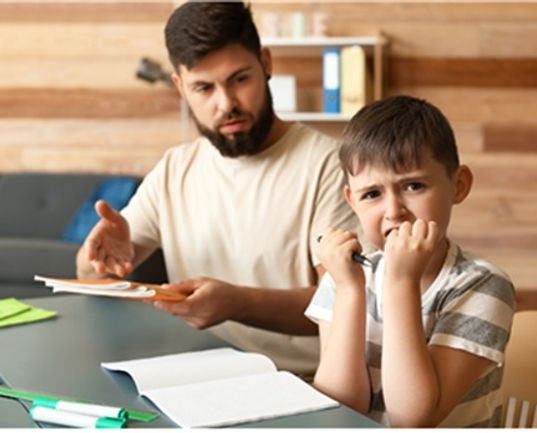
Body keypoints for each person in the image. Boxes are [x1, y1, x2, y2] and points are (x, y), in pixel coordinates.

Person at [75, 1, 359, 377]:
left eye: (240, 79)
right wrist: (99, 258)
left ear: (266, 64)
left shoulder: (328, 166)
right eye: (203, 88)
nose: (226, 103)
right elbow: (91, 278)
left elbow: (344, 306)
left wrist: (238, 303)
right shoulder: (175, 170)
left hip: (301, 384)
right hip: (194, 377)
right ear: (180, 86)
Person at [305, 95, 516, 427]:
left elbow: (413, 419)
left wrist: (400, 283)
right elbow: (341, 408)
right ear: (352, 200)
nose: (393, 212)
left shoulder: (484, 286)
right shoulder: (346, 277)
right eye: (372, 194)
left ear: (458, 186)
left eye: (413, 186)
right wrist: (348, 291)